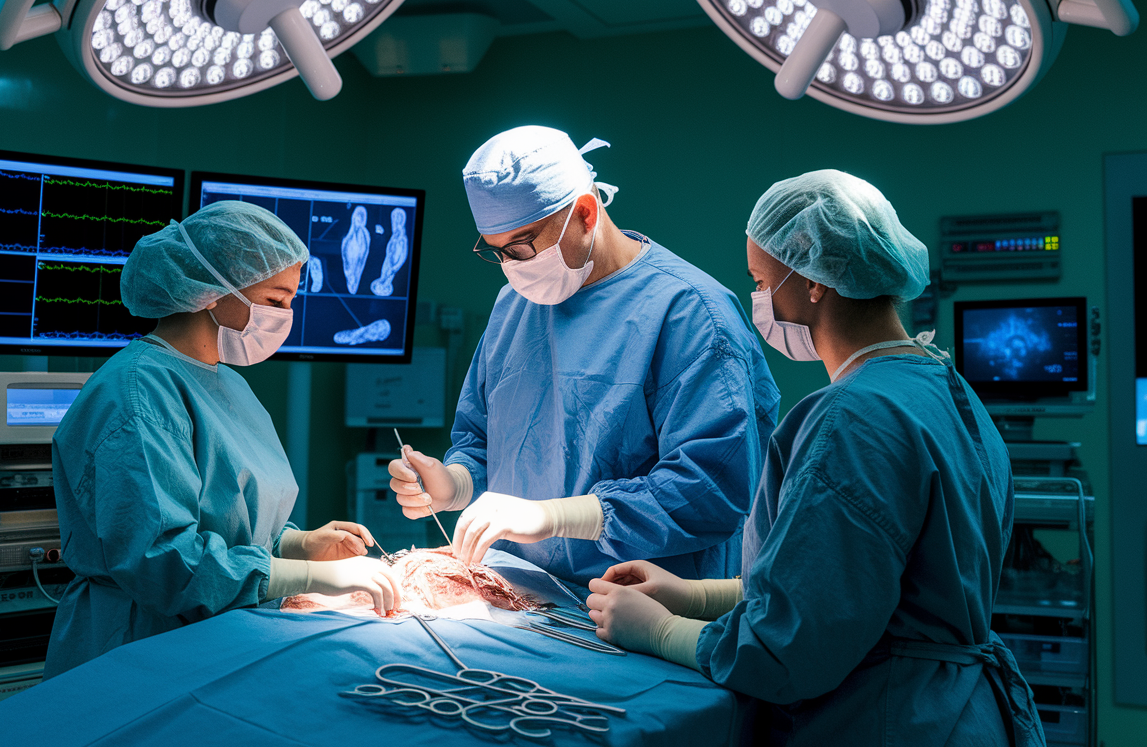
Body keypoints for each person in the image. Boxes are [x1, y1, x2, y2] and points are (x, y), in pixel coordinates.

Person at [585, 170, 1044, 746]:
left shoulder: (853, 419)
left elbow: (792, 649)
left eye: (759, 280)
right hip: (956, 714)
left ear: (812, 280)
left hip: (886, 720)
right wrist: (694, 595)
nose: (756, 296)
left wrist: (661, 632)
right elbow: (858, 585)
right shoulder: (945, 389)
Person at [388, 126, 780, 585]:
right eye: (497, 253)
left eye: (522, 246)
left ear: (586, 213)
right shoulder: (514, 307)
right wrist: (454, 482)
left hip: (639, 610)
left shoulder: (691, 314)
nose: (513, 266)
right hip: (520, 594)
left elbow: (711, 489)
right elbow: (484, 440)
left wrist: (555, 517)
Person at [45, 201, 400, 678]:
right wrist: (315, 578)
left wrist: (298, 545)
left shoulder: (227, 384)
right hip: (141, 648)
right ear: (212, 290)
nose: (285, 317)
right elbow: (163, 562)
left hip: (219, 636)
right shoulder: (136, 393)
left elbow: (232, 518)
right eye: (275, 301)